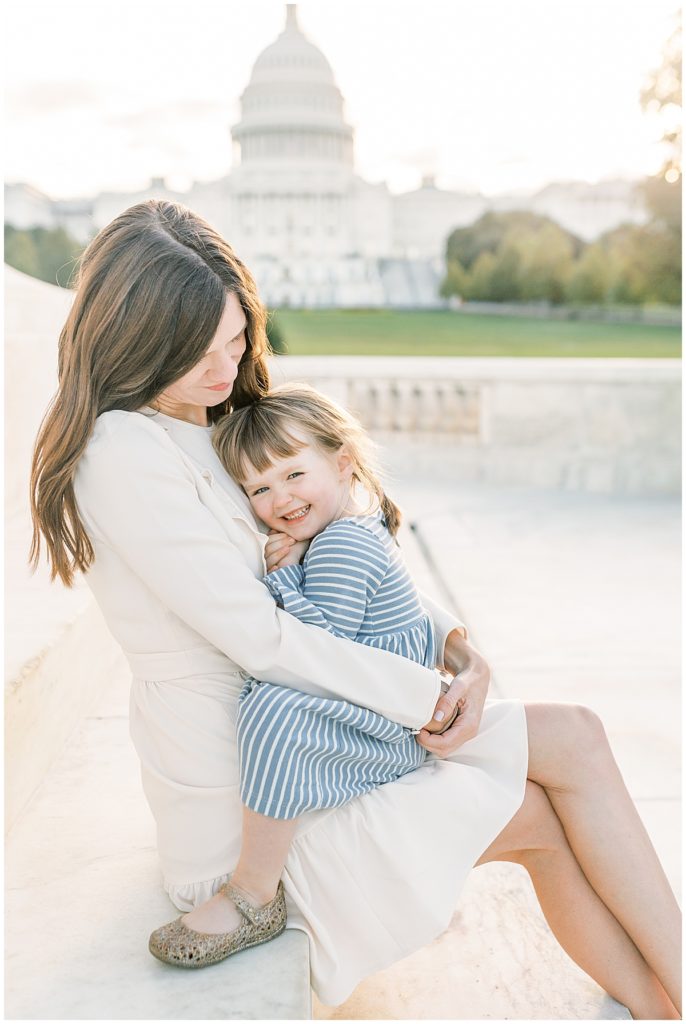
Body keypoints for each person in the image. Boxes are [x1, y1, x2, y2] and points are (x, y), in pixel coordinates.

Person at [30, 199, 680, 1018]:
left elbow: (351, 540)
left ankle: (669, 1001)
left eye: (237, 338)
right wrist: (429, 701)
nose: (227, 366)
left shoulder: (215, 424)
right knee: (549, 793)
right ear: (136, 339)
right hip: (252, 809)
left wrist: (457, 649)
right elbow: (263, 640)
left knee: (572, 747)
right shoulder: (122, 451)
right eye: (200, 352)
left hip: (320, 739)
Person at [148, 382, 463, 967]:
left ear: (343, 464)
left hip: (389, 728)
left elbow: (328, 651)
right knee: (271, 699)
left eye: (293, 475)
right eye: (259, 489)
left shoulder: (341, 544)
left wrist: (283, 580)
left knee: (273, 708)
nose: (279, 500)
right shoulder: (345, 528)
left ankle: (252, 892)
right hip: (382, 704)